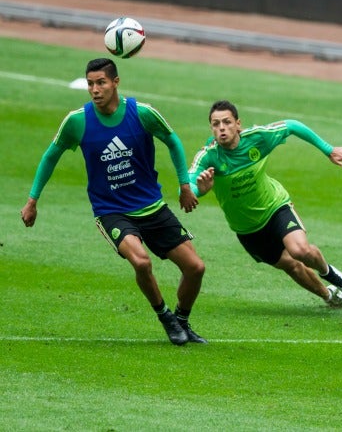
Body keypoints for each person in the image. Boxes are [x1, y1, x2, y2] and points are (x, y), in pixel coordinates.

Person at [20, 58, 206, 346]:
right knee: (141, 262)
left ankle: (182, 320)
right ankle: (165, 316)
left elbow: (172, 140)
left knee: (195, 268)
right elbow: (50, 156)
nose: (95, 89)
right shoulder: (77, 121)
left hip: (152, 207)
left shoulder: (141, 114)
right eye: (90, 83)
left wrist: (184, 185)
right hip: (112, 211)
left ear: (115, 82)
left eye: (101, 83)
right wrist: (33, 200)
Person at [187, 100, 342, 310]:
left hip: (275, 207)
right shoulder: (208, 156)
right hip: (247, 229)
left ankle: (329, 272)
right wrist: (201, 189)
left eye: (227, 122)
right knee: (292, 266)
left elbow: (291, 125)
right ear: (211, 128)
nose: (222, 128)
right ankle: (330, 297)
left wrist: (328, 150)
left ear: (238, 124)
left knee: (300, 251)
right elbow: (189, 187)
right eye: (216, 124)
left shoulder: (257, 138)